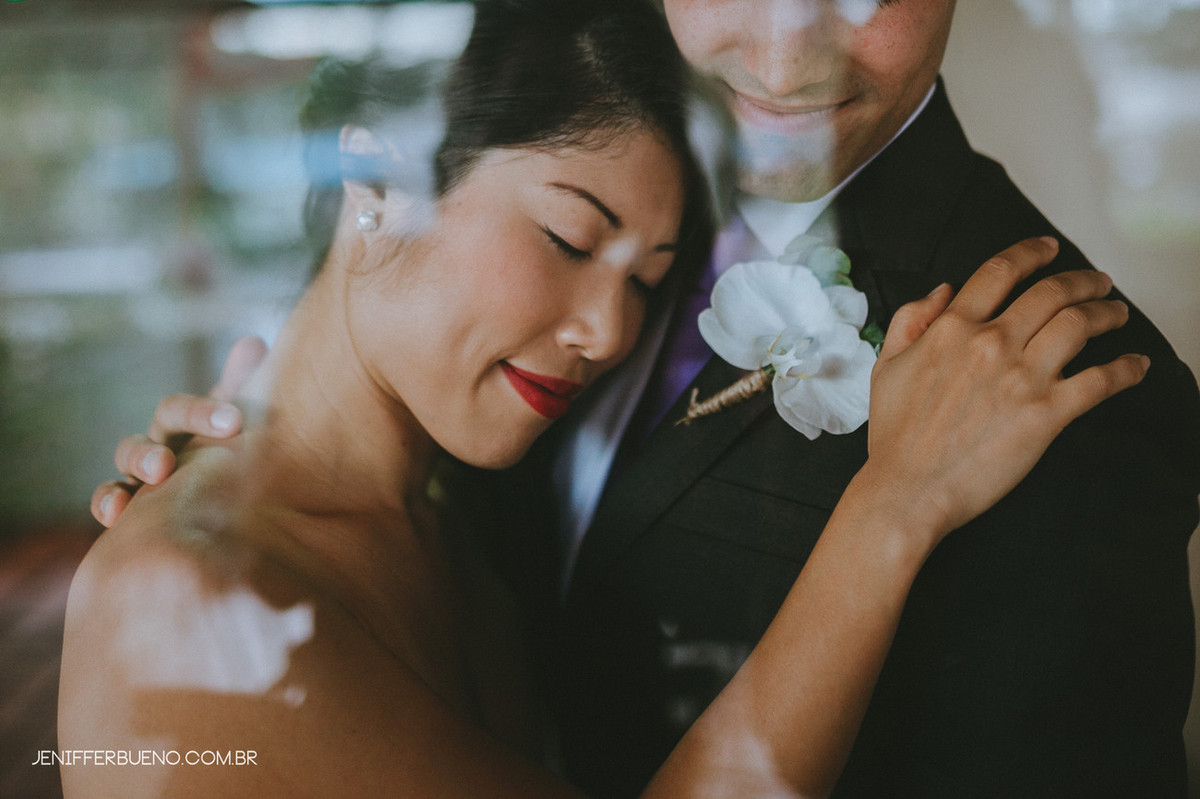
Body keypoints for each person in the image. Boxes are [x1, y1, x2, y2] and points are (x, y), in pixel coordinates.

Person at [90, 1, 1200, 796]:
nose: (782, 45)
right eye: (571, 240)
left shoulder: (1070, 397)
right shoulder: (598, 138)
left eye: (651, 279)